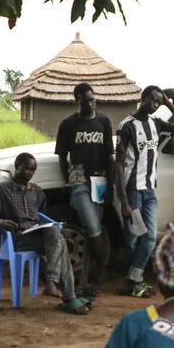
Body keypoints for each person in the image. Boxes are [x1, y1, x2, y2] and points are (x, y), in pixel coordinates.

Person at [0, 153, 91, 314]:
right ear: (17, 167)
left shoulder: (37, 192)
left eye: (33, 170)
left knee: (56, 236)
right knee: (58, 239)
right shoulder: (1, 190)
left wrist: (46, 226)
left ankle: (61, 290)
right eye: (27, 169)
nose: (30, 173)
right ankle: (64, 293)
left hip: (37, 234)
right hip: (17, 237)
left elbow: (41, 214)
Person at [116, 85, 174, 297]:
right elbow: (119, 165)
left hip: (150, 192)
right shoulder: (126, 126)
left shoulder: (156, 123)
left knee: (148, 238)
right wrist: (124, 201)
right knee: (135, 237)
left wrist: (170, 105)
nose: (156, 105)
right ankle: (133, 279)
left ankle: (134, 278)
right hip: (134, 192)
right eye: (154, 101)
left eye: (159, 102)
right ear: (143, 98)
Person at [55, 82, 115, 292]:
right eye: (87, 100)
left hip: (100, 181)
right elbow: (62, 156)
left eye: (93, 98)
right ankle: (101, 272)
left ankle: (90, 278)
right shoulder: (68, 124)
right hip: (79, 182)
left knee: (94, 231)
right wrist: (66, 181)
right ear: (77, 100)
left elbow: (109, 155)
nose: (91, 103)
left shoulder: (104, 121)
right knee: (92, 226)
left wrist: (111, 186)